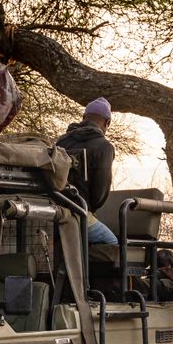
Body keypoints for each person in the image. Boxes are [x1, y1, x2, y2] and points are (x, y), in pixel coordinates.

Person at [56, 98, 117, 245]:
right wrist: (90, 208)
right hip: (79, 213)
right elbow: (99, 193)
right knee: (113, 244)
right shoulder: (104, 146)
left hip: (56, 209)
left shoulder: (62, 142)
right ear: (107, 122)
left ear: (84, 118)